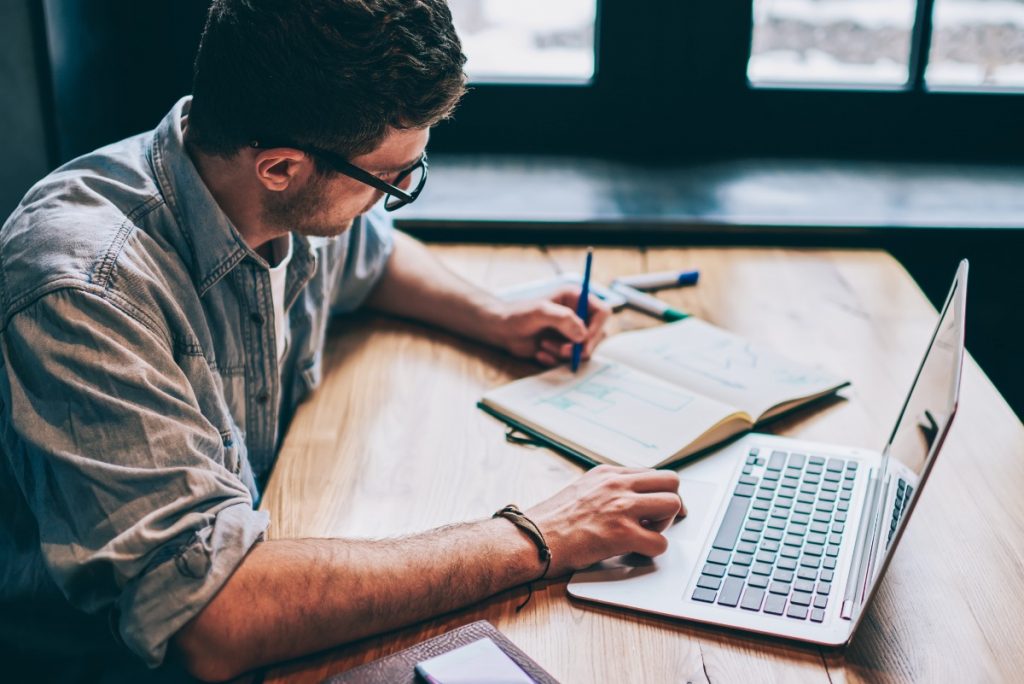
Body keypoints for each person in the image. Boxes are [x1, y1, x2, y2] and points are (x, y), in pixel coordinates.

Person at [0, 1, 685, 680]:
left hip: (271, 540)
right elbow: (212, 619)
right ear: (279, 168)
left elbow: (371, 257)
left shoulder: (263, 182)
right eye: (389, 179)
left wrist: (493, 314)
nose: (394, 196)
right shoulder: (84, 290)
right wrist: (539, 536)